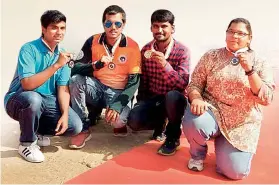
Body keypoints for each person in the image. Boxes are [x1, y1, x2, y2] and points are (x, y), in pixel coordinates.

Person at [182, 18, 275, 179]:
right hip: (212, 111)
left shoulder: (260, 62)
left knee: (235, 172)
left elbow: (266, 99)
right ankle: (197, 155)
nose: (234, 36)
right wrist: (196, 98)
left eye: (240, 33)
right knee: (195, 121)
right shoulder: (211, 56)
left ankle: (224, 148)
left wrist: (249, 70)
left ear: (250, 38)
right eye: (231, 31)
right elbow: (195, 83)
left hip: (241, 122)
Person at [4, 10, 83, 163]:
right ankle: (27, 144)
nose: (59, 32)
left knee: (75, 126)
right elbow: (27, 85)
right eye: (54, 27)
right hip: (19, 99)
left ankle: (37, 130)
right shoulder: (29, 49)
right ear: (43, 29)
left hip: (46, 100)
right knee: (33, 98)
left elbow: (62, 89)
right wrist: (56, 65)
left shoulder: (63, 54)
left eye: (62, 28)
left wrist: (65, 114)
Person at [69, 5, 141, 149]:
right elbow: (74, 68)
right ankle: (83, 127)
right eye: (108, 23)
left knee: (119, 121)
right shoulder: (93, 41)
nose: (113, 27)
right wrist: (95, 65)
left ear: (123, 25)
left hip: (118, 92)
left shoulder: (132, 46)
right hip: (96, 87)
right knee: (75, 80)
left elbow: (134, 82)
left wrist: (117, 105)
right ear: (103, 24)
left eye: (117, 24)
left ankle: (117, 120)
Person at [127, 9, 190, 156]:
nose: (159, 30)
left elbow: (182, 84)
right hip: (154, 98)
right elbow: (144, 81)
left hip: (174, 99)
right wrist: (140, 103)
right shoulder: (145, 50)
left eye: (164, 26)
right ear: (151, 28)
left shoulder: (182, 51)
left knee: (173, 96)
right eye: (155, 26)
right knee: (134, 121)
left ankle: (173, 136)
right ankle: (160, 123)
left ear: (172, 28)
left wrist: (165, 66)